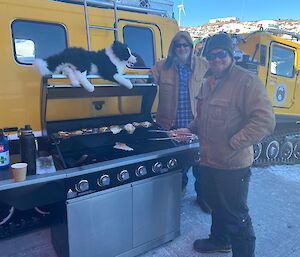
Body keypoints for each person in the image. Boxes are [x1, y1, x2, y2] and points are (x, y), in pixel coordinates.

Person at [176, 33, 275, 256]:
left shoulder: (246, 82)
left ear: (230, 55)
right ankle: (220, 240)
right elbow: (202, 116)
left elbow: (265, 121)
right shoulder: (208, 81)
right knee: (216, 206)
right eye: (211, 55)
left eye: (221, 54)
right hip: (210, 160)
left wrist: (233, 143)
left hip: (232, 164)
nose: (216, 59)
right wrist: (190, 129)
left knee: (236, 216)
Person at [151, 31, 210, 213]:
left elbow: (221, 75)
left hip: (196, 125)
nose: (182, 48)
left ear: (191, 47)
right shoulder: (162, 67)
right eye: (178, 45)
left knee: (201, 164)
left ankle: (203, 196)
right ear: (173, 48)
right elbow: (145, 80)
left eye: (186, 45)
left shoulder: (202, 65)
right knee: (177, 164)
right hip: (171, 126)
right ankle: (179, 191)